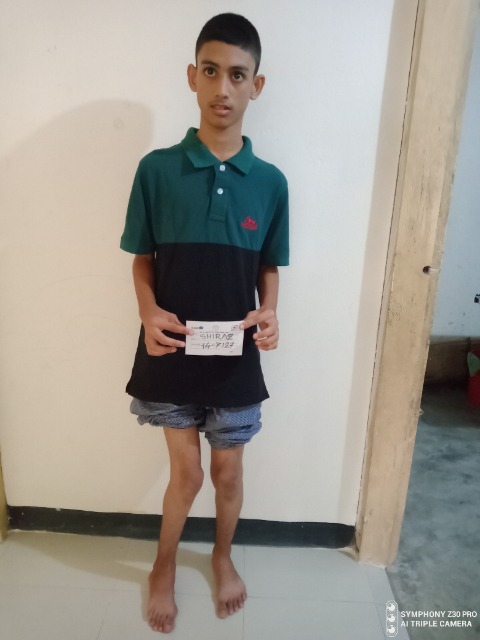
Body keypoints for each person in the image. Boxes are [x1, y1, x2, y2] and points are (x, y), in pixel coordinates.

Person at [120, 12, 289, 633]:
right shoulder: (156, 170)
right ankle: (163, 563)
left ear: (256, 86)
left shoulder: (270, 183)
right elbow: (142, 258)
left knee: (227, 471)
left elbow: (268, 266)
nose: (223, 88)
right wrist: (147, 310)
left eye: (238, 75)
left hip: (234, 355)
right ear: (192, 76)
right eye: (211, 71)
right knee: (187, 473)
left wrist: (270, 311)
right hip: (170, 350)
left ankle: (221, 556)